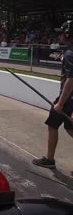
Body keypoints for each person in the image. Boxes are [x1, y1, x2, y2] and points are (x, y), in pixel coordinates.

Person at [32, 21, 73, 170]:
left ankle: (50, 160)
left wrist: (61, 104)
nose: (60, 35)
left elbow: (71, 79)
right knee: (68, 128)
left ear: (68, 34)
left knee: (53, 124)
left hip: (68, 99)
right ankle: (49, 159)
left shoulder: (69, 53)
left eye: (62, 32)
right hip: (69, 99)